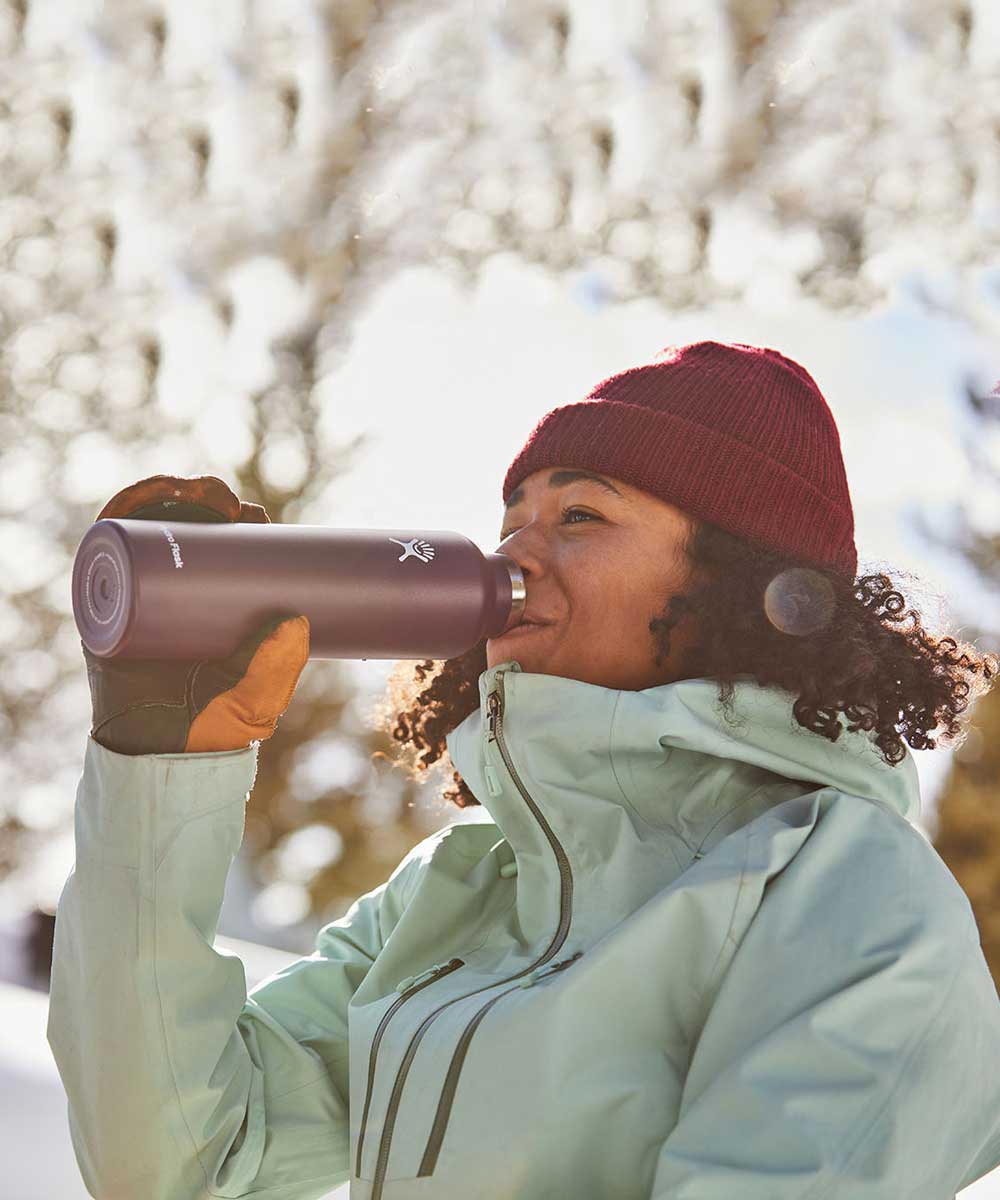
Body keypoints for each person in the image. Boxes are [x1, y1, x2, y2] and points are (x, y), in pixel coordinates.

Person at [48, 341, 1000, 1200]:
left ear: (735, 582)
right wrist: (157, 764)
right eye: (512, 518)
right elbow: (175, 1164)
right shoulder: (461, 892)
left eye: (580, 515)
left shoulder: (852, 897)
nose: (516, 554)